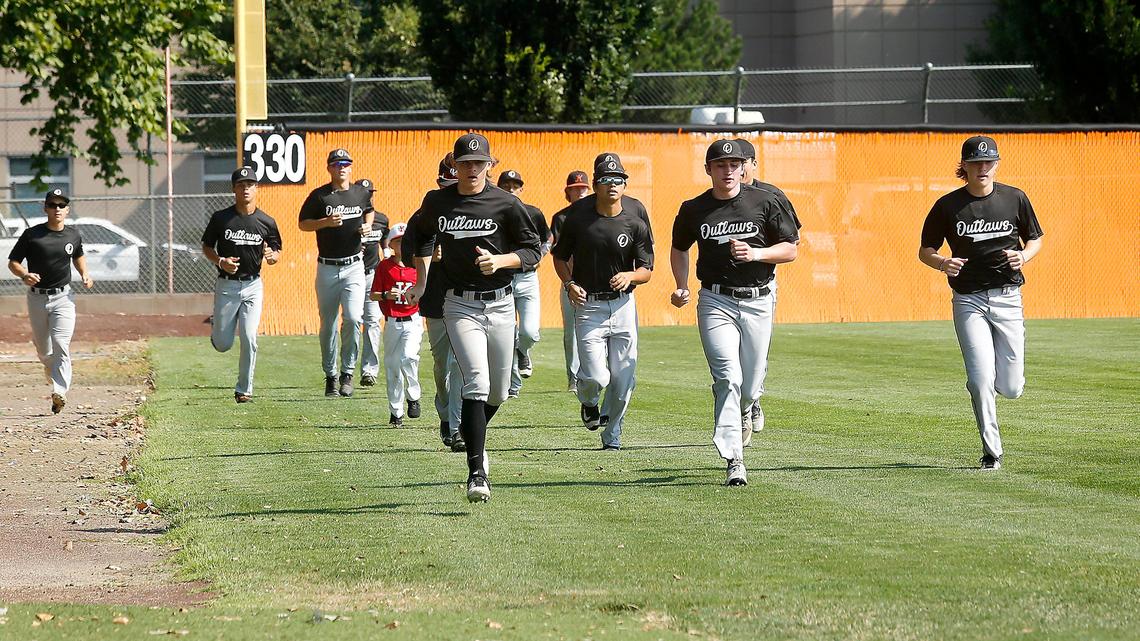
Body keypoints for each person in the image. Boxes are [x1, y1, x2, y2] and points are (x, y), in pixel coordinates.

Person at [407, 133, 541, 503]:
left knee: (499, 391)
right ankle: (477, 473)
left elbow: (532, 251)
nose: (471, 169)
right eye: (464, 163)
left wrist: (501, 261)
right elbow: (418, 235)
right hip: (459, 304)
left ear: (489, 165)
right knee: (476, 383)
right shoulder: (437, 202)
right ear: (454, 165)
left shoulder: (506, 203)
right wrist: (421, 279)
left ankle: (469, 427)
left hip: (500, 303)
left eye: (478, 162)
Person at [670, 139, 801, 486]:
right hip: (716, 300)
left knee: (751, 381)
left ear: (744, 167)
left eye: (734, 164)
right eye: (720, 165)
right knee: (727, 377)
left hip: (758, 299)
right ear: (708, 170)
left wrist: (756, 255)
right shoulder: (694, 209)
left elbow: (790, 249)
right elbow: (679, 248)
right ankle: (734, 459)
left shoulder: (766, 200)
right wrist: (681, 283)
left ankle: (748, 405)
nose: (727, 170)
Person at [919, 135, 1043, 471]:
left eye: (988, 161)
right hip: (968, 300)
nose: (982, 167)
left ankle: (996, 389)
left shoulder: (1014, 198)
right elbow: (925, 250)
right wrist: (942, 263)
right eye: (975, 162)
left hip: (1007, 297)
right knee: (979, 379)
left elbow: (1035, 238)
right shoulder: (949, 206)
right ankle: (992, 452)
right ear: (965, 167)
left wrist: (1025, 256)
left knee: (1012, 387)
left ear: (996, 164)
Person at [552, 154, 654, 451]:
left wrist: (631, 276)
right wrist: (569, 283)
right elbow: (559, 257)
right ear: (596, 184)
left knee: (623, 380)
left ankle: (612, 435)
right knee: (596, 376)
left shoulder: (636, 216)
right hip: (589, 305)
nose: (613, 185)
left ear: (625, 184)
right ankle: (588, 400)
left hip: (623, 305)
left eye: (618, 179)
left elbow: (647, 268)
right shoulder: (577, 217)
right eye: (607, 180)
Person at [298, 148, 383, 398]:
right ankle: (330, 375)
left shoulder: (359, 192)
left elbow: (369, 209)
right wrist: (324, 222)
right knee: (328, 324)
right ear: (329, 168)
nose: (342, 167)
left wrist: (368, 224)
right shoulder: (320, 196)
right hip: (327, 266)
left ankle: (347, 373)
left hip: (354, 265)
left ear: (351, 166)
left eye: (346, 163)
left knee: (355, 318)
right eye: (336, 164)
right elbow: (302, 223)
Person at [732, 137, 802, 440]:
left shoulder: (770, 195)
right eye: (734, 163)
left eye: (743, 162)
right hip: (722, 288)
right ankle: (745, 402)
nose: (739, 168)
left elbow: (792, 239)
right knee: (731, 352)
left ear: (753, 164)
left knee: (756, 349)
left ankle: (754, 398)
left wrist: (759, 253)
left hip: (762, 282)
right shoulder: (719, 197)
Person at [6, 188, 93, 414]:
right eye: (53, 205)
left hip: (64, 297)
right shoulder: (31, 235)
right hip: (36, 298)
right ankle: (50, 368)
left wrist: (85, 273)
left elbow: (78, 255)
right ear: (45, 208)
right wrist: (24, 274)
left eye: (61, 205)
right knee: (44, 351)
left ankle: (59, 392)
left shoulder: (73, 235)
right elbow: (13, 262)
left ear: (67, 209)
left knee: (61, 344)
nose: (57, 209)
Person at [200, 166, 283, 403]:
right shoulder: (221, 218)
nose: (245, 188)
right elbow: (206, 246)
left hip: (253, 285)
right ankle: (219, 329)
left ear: (256, 188)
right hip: (226, 286)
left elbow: (277, 250)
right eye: (241, 185)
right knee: (223, 344)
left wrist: (273, 256)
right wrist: (220, 260)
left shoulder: (266, 221)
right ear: (234, 189)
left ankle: (244, 389)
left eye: (250, 184)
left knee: (249, 337)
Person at [403, 155, 466, 449]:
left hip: (467, 299)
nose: (452, 189)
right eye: (447, 183)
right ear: (439, 182)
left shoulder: (474, 211)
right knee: (442, 364)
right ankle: (443, 408)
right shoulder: (423, 215)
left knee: (461, 365)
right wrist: (427, 259)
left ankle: (456, 428)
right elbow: (406, 256)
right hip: (436, 298)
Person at [496, 169, 550, 398]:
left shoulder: (533, 213)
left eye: (515, 185)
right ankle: (513, 386)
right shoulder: (492, 212)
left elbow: (547, 239)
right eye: (506, 185)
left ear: (521, 188)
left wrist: (539, 257)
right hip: (503, 278)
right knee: (507, 334)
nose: (511, 189)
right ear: (499, 188)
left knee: (528, 331)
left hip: (527, 277)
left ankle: (523, 351)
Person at [370, 223, 423, 427]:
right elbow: (373, 294)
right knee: (392, 366)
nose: (402, 244)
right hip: (392, 322)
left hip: (413, 320)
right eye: (398, 241)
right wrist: (386, 295)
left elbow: (425, 289)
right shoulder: (385, 266)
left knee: (408, 356)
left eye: (405, 240)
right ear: (391, 244)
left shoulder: (418, 263)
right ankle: (396, 412)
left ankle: (413, 396)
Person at [549, 170, 591, 392]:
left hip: (597, 282)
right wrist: (568, 281)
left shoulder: (599, 215)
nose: (580, 191)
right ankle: (573, 378)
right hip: (572, 281)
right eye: (575, 188)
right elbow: (556, 253)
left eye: (583, 187)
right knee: (571, 331)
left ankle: (593, 373)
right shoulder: (561, 218)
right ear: (568, 192)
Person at [357, 178, 390, 387]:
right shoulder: (351, 218)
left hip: (372, 274)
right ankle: (347, 370)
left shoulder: (381, 219)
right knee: (352, 322)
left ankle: (369, 370)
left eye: (370, 193)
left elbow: (385, 235)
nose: (368, 196)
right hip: (351, 274)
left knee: (372, 322)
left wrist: (386, 249)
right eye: (363, 193)